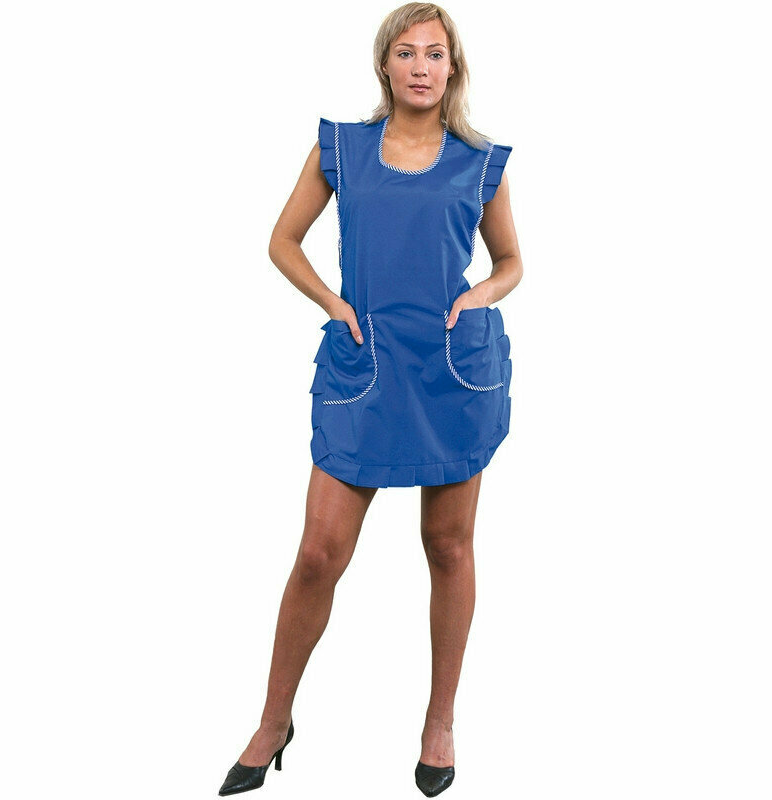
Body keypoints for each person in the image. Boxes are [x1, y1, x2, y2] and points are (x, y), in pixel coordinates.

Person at [218, 3, 522, 796]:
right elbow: (282, 240)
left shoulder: (479, 162)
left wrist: (481, 295)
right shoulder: (342, 151)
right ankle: (273, 719)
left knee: (448, 548)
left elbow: (511, 261)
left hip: (452, 372)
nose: (421, 67)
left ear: (453, 68)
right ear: (385, 64)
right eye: (406, 52)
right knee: (319, 554)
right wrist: (332, 303)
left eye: (435, 54)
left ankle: (439, 722)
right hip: (366, 365)